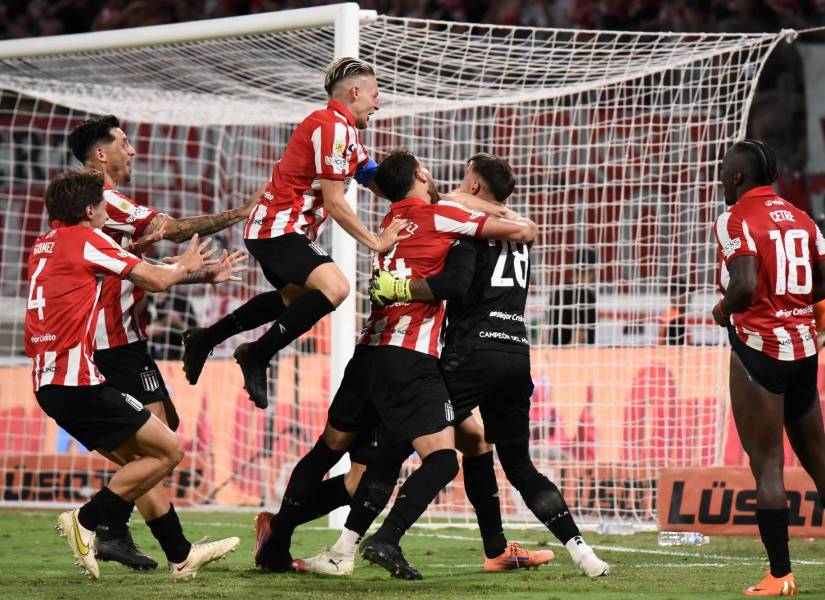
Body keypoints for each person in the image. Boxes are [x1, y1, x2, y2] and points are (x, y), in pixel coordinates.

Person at [253, 150, 537, 579]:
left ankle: (278, 538)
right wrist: (475, 199)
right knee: (442, 459)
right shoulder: (440, 215)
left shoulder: (388, 225)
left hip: (368, 354)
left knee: (339, 459)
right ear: (422, 175)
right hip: (410, 360)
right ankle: (382, 542)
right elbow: (522, 231)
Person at [328, 153, 608, 578]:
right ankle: (579, 552)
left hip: (472, 354)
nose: (454, 185)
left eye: (464, 180)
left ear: (475, 187)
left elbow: (456, 286)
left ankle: (364, 543)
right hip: (516, 352)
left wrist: (402, 285)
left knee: (400, 443)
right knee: (504, 456)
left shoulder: (464, 227)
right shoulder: (517, 229)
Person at [26, 169, 240, 580]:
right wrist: (188, 264)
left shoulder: (44, 244)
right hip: (79, 381)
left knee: (142, 462)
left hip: (49, 384)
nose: (109, 209)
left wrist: (173, 264)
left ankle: (180, 555)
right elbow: (156, 281)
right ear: (90, 209)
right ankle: (87, 522)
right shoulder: (88, 239)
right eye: (104, 205)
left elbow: (133, 268)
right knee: (168, 451)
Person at [66, 114, 255, 570]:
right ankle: (116, 530)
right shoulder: (103, 200)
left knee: (160, 431)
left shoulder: (96, 209)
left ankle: (118, 531)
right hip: (111, 342)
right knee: (155, 445)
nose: (132, 151)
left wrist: (200, 273)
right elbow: (169, 227)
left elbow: (138, 276)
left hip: (123, 337)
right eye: (124, 143)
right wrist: (242, 214)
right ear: (101, 154)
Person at [181, 56, 410, 409]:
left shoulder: (346, 134)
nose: (378, 103)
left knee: (295, 301)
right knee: (336, 287)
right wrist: (376, 242)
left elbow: (374, 179)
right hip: (277, 229)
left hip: (279, 230)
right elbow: (335, 202)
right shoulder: (331, 128)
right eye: (375, 95)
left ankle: (206, 338)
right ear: (354, 92)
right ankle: (257, 354)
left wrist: (422, 196)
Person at [711, 138, 825, 597]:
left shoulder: (734, 218)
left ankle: (780, 575)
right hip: (804, 351)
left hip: (759, 350)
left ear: (739, 177)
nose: (720, 177)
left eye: (723, 170)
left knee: (769, 468)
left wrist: (722, 312)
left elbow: (740, 286)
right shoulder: (803, 219)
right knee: (820, 462)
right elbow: (821, 284)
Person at [549, 249, 597, 345]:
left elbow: (545, 330)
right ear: (593, 269)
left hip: (554, 354)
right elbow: (581, 336)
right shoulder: (587, 296)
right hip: (576, 357)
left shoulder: (558, 291)